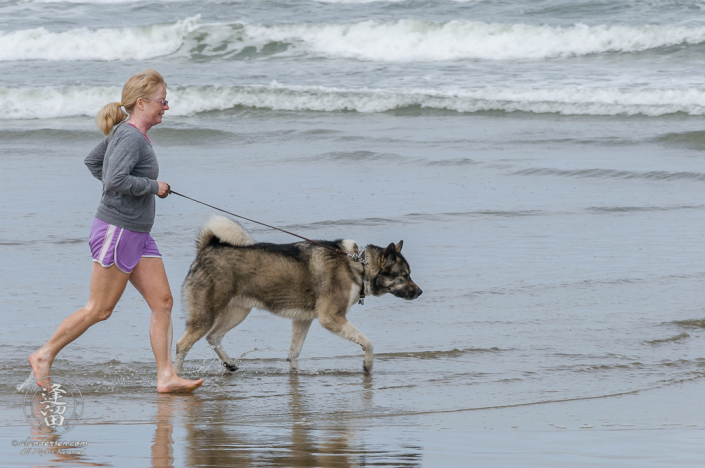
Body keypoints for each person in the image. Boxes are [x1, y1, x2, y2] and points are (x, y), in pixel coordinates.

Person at [29, 69, 203, 393]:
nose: (166, 107)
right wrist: (153, 186)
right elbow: (113, 179)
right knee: (100, 309)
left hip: (137, 232)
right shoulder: (130, 136)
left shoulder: (128, 134)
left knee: (163, 302)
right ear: (142, 102)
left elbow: (95, 163)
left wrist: (131, 191)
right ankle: (44, 355)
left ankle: (165, 377)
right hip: (118, 231)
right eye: (162, 101)